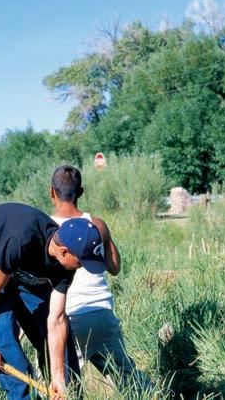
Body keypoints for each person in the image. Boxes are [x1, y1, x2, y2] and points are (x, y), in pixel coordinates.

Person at [0, 202, 106, 400]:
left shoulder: (65, 265)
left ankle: (69, 395)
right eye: (81, 261)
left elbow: (57, 319)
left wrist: (59, 376)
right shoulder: (21, 239)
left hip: (17, 260)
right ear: (64, 252)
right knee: (4, 329)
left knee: (50, 331)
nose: (82, 267)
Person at [49, 165, 153, 393]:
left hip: (66, 319)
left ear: (52, 192)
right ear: (81, 192)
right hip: (101, 314)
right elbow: (114, 267)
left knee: (61, 387)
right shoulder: (96, 225)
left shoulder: (46, 229)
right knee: (130, 381)